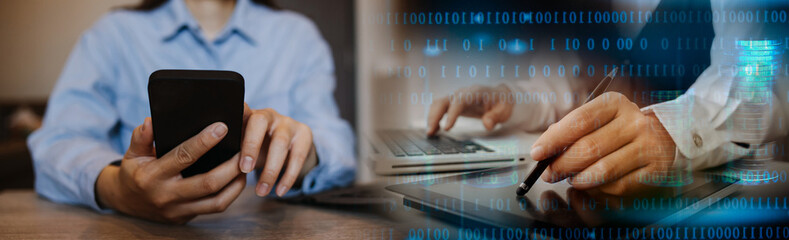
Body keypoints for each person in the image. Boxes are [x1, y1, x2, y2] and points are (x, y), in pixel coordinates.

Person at [28, 0, 356, 224]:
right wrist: (119, 190)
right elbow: (58, 141)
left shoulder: (298, 37)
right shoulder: (114, 34)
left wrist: (302, 152)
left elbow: (336, 144)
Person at [427, 0, 788, 195]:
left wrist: (669, 131)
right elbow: (593, 70)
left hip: (726, 186)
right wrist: (517, 98)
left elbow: (761, 69)